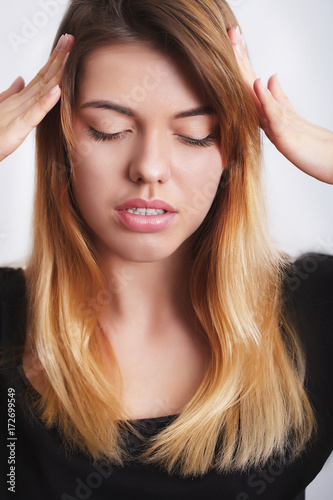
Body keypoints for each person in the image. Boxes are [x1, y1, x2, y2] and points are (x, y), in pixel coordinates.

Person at [0, 1, 332, 499]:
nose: (149, 168)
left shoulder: (316, 308)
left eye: (196, 134)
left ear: (232, 146)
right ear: (61, 135)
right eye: (108, 129)